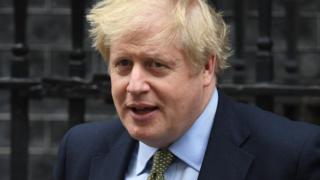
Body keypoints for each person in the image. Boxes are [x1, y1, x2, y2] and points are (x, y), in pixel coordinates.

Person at [53, 0, 320, 179]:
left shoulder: (291, 156)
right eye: (123, 64)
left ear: (206, 67)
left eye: (156, 65)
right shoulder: (80, 149)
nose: (134, 85)